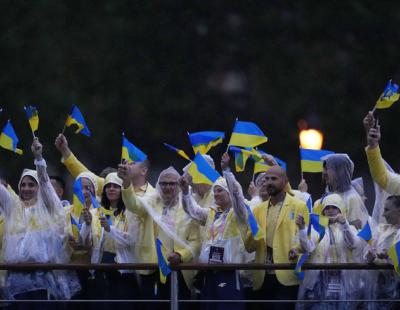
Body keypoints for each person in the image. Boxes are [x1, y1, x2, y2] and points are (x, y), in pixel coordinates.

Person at [0, 138, 79, 307]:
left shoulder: (48, 208)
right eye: (23, 185)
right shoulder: (13, 208)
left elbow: (44, 181)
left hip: (43, 282)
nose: (26, 188)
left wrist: (38, 158)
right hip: (16, 281)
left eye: (31, 185)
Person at [119, 164, 200, 309]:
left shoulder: (188, 205)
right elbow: (134, 205)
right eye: (163, 183)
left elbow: (196, 242)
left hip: (178, 269)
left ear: (179, 184)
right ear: (158, 184)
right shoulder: (151, 200)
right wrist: (126, 182)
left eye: (172, 183)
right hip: (152, 269)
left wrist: (181, 255)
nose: (167, 187)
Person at [179, 154, 247, 310]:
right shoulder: (211, 213)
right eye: (215, 191)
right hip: (209, 273)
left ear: (229, 193)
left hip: (229, 273)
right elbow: (192, 210)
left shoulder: (239, 214)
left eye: (220, 191)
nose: (216, 194)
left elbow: (237, 194)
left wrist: (226, 171)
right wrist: (185, 192)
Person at [236, 164, 308, 310]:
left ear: (284, 181)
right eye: (266, 179)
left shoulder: (299, 206)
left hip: (286, 275)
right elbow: (250, 247)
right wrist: (246, 230)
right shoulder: (257, 210)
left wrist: (296, 249)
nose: (268, 182)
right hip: (262, 276)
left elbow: (306, 239)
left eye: (273, 179)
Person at [80, 172, 139, 308]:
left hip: (124, 272)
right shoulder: (96, 211)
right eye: (108, 186)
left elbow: (131, 240)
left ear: (122, 189)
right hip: (101, 271)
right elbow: (83, 241)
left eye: (116, 186)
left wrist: (110, 229)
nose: (111, 189)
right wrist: (87, 224)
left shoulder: (131, 212)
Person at [295, 193, 359, 310]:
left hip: (342, 279)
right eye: (327, 208)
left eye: (334, 207)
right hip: (318, 279)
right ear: (323, 211)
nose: (330, 211)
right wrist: (303, 229)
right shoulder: (316, 228)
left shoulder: (349, 228)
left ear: (341, 209)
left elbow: (353, 243)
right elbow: (308, 247)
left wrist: (344, 224)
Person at [312, 154, 369, 229]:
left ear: (340, 171)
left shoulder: (351, 198)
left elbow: (356, 231)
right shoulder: (326, 196)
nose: (324, 173)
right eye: (324, 169)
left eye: (327, 169)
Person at [364, 195, 400, 310]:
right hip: (380, 284)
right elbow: (367, 252)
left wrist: (389, 257)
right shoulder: (381, 229)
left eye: (387, 210)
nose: (383, 214)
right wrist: (369, 256)